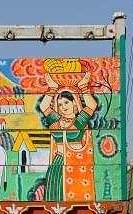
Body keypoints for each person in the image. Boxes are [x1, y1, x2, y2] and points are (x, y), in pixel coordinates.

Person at [39, 70, 98, 201]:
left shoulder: (79, 121)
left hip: (75, 167)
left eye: (66, 102)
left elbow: (92, 105)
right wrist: (52, 88)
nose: (63, 107)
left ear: (74, 103)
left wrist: (83, 86)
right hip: (57, 165)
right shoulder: (56, 120)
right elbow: (43, 106)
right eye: (60, 104)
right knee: (54, 197)